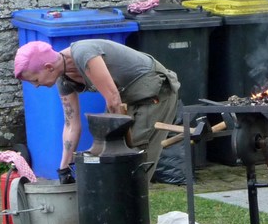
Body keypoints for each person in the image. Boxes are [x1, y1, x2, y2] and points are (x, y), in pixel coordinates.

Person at [13, 39, 180, 183]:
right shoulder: (63, 79)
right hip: (125, 99)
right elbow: (71, 124)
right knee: (106, 154)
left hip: (154, 93)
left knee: (135, 157)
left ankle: (131, 208)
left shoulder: (84, 53)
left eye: (35, 80)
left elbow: (113, 99)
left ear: (48, 67)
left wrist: (120, 144)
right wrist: (64, 168)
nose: (36, 86)